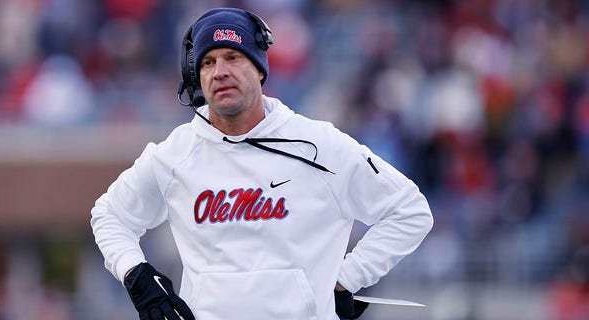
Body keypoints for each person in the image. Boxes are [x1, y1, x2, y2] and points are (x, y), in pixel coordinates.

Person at [90, 7, 433, 320]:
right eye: (207, 63)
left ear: (258, 67)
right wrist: (137, 276)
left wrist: (347, 278)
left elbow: (409, 211)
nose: (219, 72)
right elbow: (109, 215)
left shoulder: (320, 145)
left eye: (232, 57)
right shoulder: (175, 154)